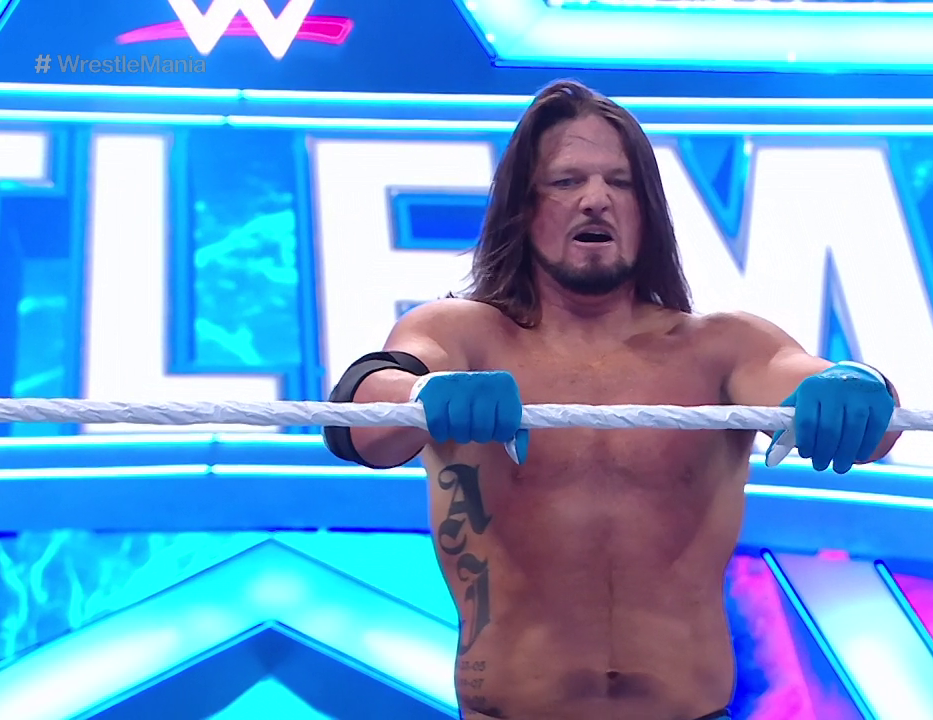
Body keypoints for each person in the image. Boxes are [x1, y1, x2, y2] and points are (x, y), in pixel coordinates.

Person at [323, 80, 901, 720]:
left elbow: (855, 410)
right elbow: (362, 417)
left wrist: (854, 385)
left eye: (619, 183)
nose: (596, 199)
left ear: (646, 212)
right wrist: (425, 392)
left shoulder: (720, 348)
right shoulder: (464, 336)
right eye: (566, 181)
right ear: (524, 207)